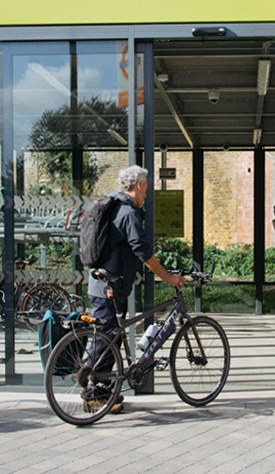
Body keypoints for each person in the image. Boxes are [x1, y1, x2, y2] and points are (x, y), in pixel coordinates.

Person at [85, 165, 184, 413]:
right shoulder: (127, 212)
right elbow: (143, 252)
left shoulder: (117, 207)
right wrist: (168, 277)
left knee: (112, 339)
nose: (147, 194)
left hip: (106, 285)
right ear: (139, 185)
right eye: (147, 188)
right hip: (108, 288)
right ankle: (93, 395)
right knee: (106, 341)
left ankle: (105, 393)